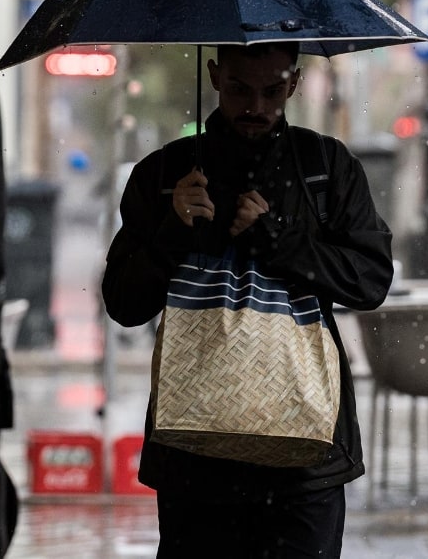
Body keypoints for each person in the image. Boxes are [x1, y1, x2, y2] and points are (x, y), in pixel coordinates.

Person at [102, 41, 393, 558]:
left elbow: (370, 281)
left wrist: (278, 241)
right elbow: (125, 305)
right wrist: (173, 230)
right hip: (195, 454)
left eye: (272, 90)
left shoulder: (325, 168)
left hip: (304, 454)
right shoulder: (166, 174)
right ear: (214, 76)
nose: (255, 107)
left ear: (295, 84)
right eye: (239, 89)